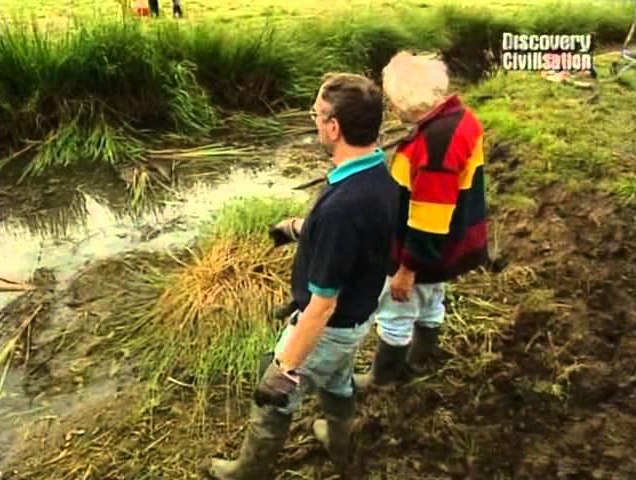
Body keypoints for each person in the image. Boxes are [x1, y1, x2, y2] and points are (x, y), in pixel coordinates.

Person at [201, 73, 399, 479]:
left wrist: (285, 367)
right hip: (359, 318)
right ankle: (338, 441)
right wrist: (298, 228)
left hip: (329, 326)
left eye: (316, 114)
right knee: (338, 378)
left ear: (333, 126)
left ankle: (249, 471)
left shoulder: (340, 208)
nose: (314, 122)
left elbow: (321, 306)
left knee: (275, 398)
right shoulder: (380, 174)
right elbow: (358, 239)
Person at [355, 52, 489, 388]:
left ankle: (383, 378)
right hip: (448, 245)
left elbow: (429, 219)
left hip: (419, 250)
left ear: (405, 99)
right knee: (431, 300)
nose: (391, 106)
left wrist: (406, 270)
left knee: (397, 311)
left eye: (392, 99)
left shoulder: (435, 146)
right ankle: (422, 356)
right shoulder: (461, 118)